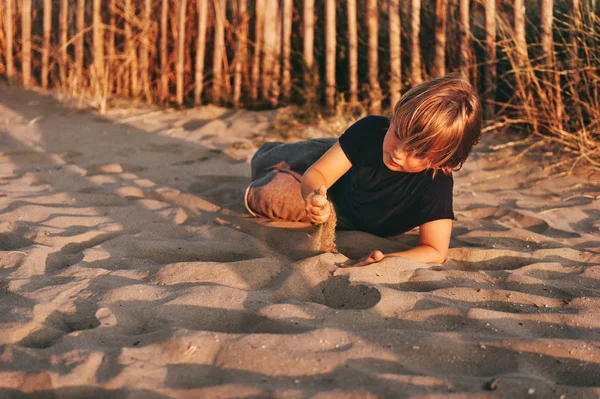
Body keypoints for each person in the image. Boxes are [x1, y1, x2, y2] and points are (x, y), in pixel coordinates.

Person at [244, 72, 482, 266]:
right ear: (394, 116)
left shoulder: (437, 181)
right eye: (397, 133)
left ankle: (287, 177)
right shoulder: (372, 132)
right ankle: (289, 153)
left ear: (443, 161)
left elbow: (434, 250)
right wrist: (313, 196)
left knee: (264, 195)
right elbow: (319, 175)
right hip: (336, 180)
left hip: (341, 215)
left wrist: (386, 260)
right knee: (266, 162)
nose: (398, 153)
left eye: (417, 152)